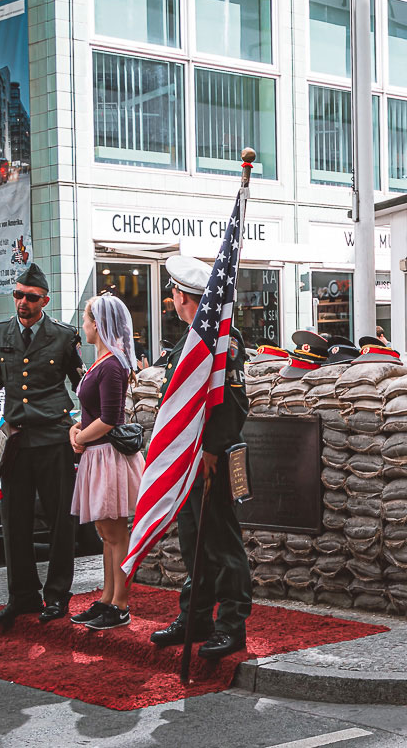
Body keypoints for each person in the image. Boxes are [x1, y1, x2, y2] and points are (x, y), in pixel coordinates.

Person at [149, 256, 252, 659]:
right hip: (187, 461)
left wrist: (210, 448)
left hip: (213, 459)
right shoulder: (187, 343)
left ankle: (231, 624)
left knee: (222, 545)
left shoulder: (224, 340)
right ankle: (195, 616)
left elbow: (234, 403)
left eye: (173, 293)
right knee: (194, 543)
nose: (172, 299)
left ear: (182, 296)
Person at [0, 263, 84, 629]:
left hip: (55, 438)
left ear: (45, 300)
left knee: (60, 522)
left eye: (30, 297)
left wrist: (84, 428)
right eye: (18, 295)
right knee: (15, 522)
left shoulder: (63, 336)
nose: (22, 302)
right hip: (17, 441)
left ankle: (57, 596)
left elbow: (82, 384)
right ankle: (22, 596)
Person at [68, 294, 145, 630]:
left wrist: (80, 437)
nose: (82, 326)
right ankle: (106, 600)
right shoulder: (105, 362)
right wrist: (78, 429)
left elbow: (111, 417)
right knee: (105, 531)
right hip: (97, 454)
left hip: (107, 455)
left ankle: (121, 604)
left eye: (85, 319)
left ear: (97, 324)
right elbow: (94, 413)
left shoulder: (111, 364)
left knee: (115, 533)